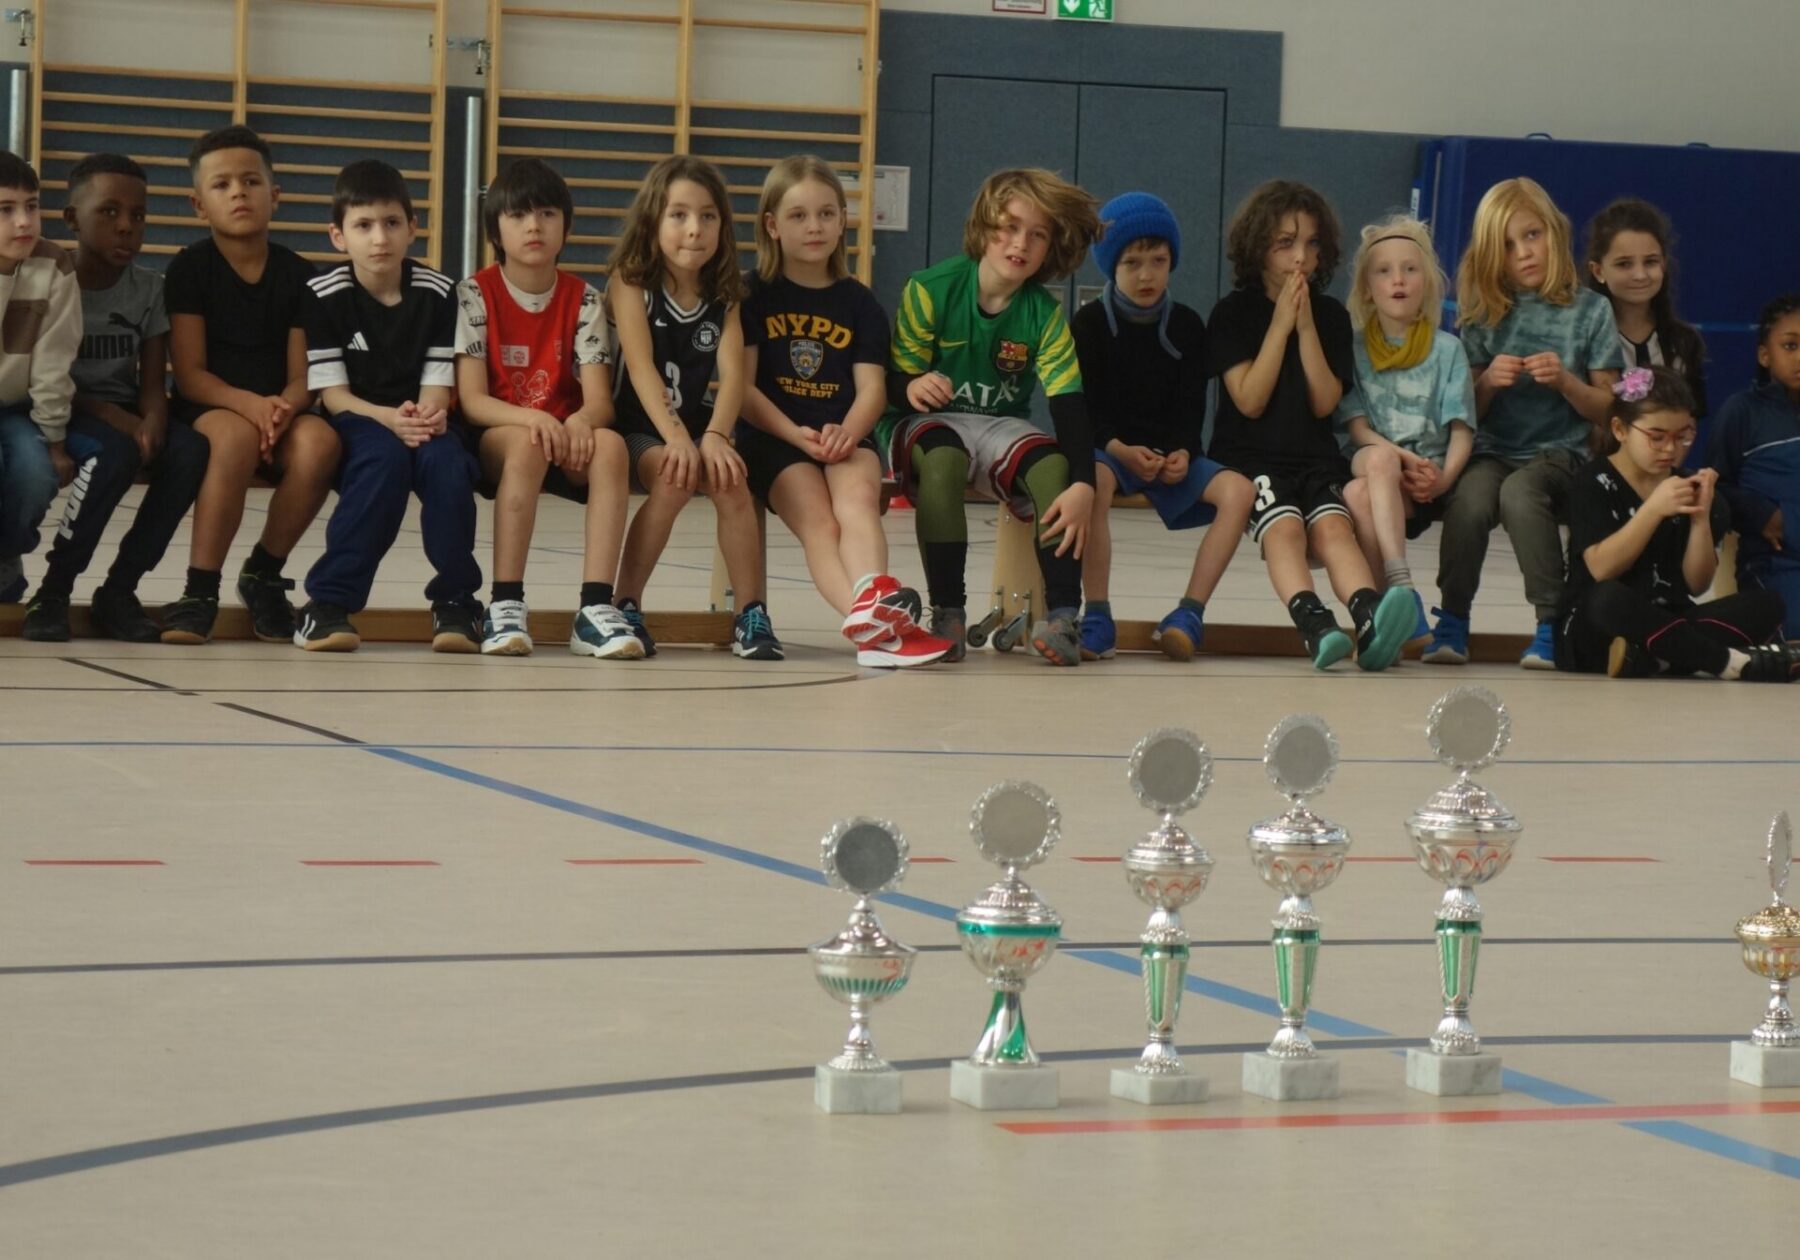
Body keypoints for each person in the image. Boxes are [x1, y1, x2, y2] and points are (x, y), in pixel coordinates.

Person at [880, 166, 1102, 666]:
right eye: (1010, 226)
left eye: (1037, 234)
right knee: (944, 460)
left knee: (1055, 469)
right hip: (927, 422)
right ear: (983, 226)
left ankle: (1064, 618)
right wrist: (911, 385)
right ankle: (949, 613)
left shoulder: (1043, 314)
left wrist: (1084, 485)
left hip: (999, 424)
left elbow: (1069, 406)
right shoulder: (930, 289)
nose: (1021, 242)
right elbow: (890, 383)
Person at [735, 154, 950, 666]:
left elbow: (872, 390)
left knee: (857, 502)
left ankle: (874, 606)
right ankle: (874, 627)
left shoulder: (860, 303)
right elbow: (741, 389)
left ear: (842, 222)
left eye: (826, 214)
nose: (815, 226)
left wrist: (848, 433)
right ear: (772, 225)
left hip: (845, 433)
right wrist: (796, 435)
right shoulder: (752, 295)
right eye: (799, 215)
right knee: (819, 523)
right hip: (776, 437)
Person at [1204, 179, 1414, 670]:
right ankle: (1315, 624)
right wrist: (1280, 325)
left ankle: (1369, 617)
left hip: (1315, 460)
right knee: (1285, 531)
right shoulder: (1233, 314)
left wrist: (1304, 327)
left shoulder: (1331, 317)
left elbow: (1324, 403)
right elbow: (1249, 399)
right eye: (1286, 243)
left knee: (1334, 530)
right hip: (1250, 460)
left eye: (1311, 243)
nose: (1300, 257)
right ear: (1258, 247)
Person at [1431, 176, 1624, 668]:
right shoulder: (1482, 312)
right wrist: (1488, 384)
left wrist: (1566, 383)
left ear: (1553, 232)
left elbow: (1611, 411)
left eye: (1532, 235)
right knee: (1470, 501)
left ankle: (1551, 622)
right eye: (1508, 245)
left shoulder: (1591, 310)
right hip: (1492, 450)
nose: (1524, 253)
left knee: (1520, 494)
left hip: (1562, 454)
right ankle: (1452, 619)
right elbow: (1464, 414)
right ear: (1490, 254)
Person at [159, 125, 339, 645]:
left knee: (321, 441)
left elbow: (304, 375)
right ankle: (200, 589)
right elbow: (190, 375)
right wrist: (251, 407)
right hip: (210, 407)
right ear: (199, 205)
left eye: (251, 181)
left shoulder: (300, 274)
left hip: (279, 412)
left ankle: (262, 571)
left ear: (274, 195)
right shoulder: (189, 269)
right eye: (222, 185)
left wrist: (283, 408)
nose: (238, 192)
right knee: (235, 437)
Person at [455, 156, 640, 658]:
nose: (533, 226)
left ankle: (595, 608)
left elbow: (599, 402)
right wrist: (535, 418)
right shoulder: (474, 294)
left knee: (611, 447)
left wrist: (580, 419)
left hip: (565, 438)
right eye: (518, 215)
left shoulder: (585, 300)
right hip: (503, 436)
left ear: (566, 226)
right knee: (527, 444)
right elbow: (472, 402)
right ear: (495, 230)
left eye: (546, 214)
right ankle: (505, 602)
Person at [294, 159, 481, 652]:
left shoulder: (439, 293)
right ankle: (328, 604)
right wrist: (389, 421)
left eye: (392, 222)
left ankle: (456, 601)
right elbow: (334, 396)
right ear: (338, 236)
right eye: (363, 225)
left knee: (447, 464)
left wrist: (426, 417)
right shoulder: (322, 295)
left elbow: (438, 383)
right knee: (383, 461)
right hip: (359, 419)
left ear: (412, 228)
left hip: (422, 416)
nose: (380, 238)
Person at [1069, 191, 1254, 661]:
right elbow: (1084, 408)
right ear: (1111, 266)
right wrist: (1118, 449)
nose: (1146, 275)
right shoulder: (1089, 324)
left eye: (1158, 261)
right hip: (1111, 451)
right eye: (1132, 263)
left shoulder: (1188, 325)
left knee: (1239, 492)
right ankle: (1097, 615)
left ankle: (1189, 613)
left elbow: (1191, 407)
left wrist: (1184, 452)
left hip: (1168, 454)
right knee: (1092, 481)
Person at [608, 156, 775, 660]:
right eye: (678, 215)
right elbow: (641, 369)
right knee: (675, 477)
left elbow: (734, 376)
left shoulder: (726, 294)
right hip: (639, 425)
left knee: (731, 479)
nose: (694, 229)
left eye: (707, 216)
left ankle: (751, 614)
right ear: (653, 220)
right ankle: (626, 602)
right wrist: (679, 438)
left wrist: (717, 437)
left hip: (698, 425)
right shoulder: (631, 281)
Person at [1560, 366, 1796, 681]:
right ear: (1620, 429)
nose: (1670, 449)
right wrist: (1653, 510)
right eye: (1656, 437)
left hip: (1669, 620)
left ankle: (1656, 660)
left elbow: (1696, 585)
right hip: (1601, 627)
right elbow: (1602, 569)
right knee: (1606, 598)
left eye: (1682, 436)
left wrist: (1701, 519)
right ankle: (1728, 662)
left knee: (1767, 604)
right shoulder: (1593, 480)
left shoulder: (1688, 485)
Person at [1335, 215, 1475, 651]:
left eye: (1410, 269)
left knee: (1358, 495)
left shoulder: (1448, 349)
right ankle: (1401, 586)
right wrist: (1400, 457)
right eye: (1384, 271)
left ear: (1427, 282)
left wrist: (1444, 479)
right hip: (1371, 457)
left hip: (1423, 479)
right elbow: (1358, 428)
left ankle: (1382, 623)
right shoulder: (1352, 347)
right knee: (1377, 462)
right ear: (1366, 288)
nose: (1398, 280)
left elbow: (1462, 429)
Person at [0, 153, 89, 611]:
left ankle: (5, 557)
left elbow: (54, 363)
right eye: (5, 209)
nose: (23, 221)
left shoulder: (54, 265)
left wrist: (54, 439)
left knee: (35, 476)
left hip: (18, 408)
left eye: (31, 206)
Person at [1709, 293, 1800, 637]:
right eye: (1790, 346)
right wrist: (1761, 513)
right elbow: (1714, 485)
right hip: (1774, 564)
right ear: (1765, 354)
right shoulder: (1742, 411)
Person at [1583, 198, 1707, 415]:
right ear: (1598, 271)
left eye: (1650, 262)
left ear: (1663, 264)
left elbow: (1691, 418)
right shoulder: (1580, 342)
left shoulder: (1684, 342)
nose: (1640, 275)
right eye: (1624, 264)